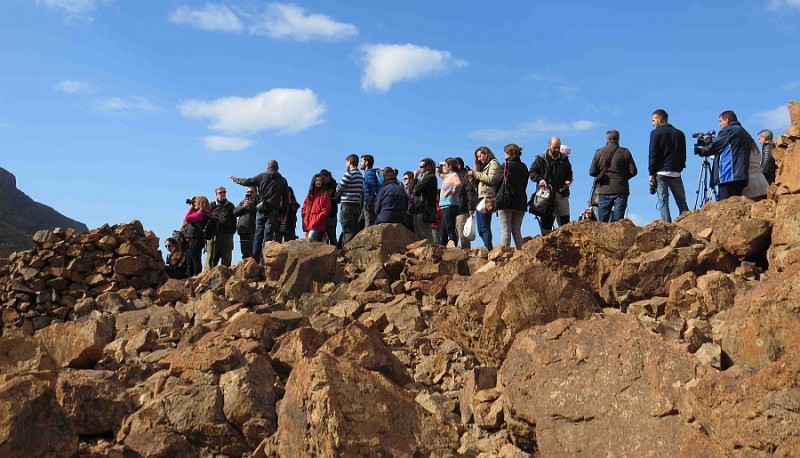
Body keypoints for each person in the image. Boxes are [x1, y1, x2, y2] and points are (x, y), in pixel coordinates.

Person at [229, 160, 289, 263]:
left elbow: (246, 182)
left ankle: (255, 259)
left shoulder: (262, 176)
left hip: (261, 209)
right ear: (278, 168)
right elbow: (286, 200)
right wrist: (283, 214)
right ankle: (264, 260)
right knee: (268, 234)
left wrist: (235, 179)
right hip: (273, 210)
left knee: (258, 233)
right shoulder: (283, 181)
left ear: (268, 167)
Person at [648, 109, 689, 223]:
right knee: (681, 200)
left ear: (660, 119)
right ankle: (688, 222)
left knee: (663, 201)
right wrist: (680, 167)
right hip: (676, 172)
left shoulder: (655, 133)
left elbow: (653, 153)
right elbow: (683, 154)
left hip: (661, 172)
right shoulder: (680, 134)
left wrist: (651, 173)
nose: (653, 123)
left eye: (653, 120)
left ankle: (667, 225)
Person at [589, 130, 638, 223]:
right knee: (618, 222)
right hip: (621, 189)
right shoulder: (625, 152)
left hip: (604, 190)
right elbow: (633, 171)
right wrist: (623, 177)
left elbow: (592, 172)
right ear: (618, 139)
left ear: (606, 139)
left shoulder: (599, 152)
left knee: (602, 222)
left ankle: (603, 237)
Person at [529, 137, 573, 236]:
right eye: (555, 147)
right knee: (546, 219)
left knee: (565, 219)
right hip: (546, 194)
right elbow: (532, 172)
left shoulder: (564, 159)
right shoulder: (541, 158)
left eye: (558, 147)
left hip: (562, 192)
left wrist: (568, 181)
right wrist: (540, 179)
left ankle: (565, 242)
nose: (557, 150)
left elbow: (569, 173)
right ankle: (546, 241)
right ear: (549, 146)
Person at [706, 110, 754, 200]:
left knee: (724, 205)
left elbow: (713, 146)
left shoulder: (729, 130)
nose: (719, 124)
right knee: (735, 205)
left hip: (728, 174)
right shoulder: (744, 132)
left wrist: (705, 147)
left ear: (727, 120)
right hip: (741, 175)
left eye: (720, 121)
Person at [467, 146, 501, 249]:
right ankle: (488, 248)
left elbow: (491, 179)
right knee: (480, 229)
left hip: (487, 198)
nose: (479, 159)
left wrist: (476, 174)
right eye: (477, 157)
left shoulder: (493, 164)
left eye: (480, 156)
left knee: (484, 227)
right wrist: (472, 177)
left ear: (486, 154)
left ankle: (488, 249)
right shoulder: (483, 167)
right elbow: (477, 185)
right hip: (480, 197)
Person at [496, 143, 529, 248]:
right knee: (517, 230)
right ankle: (520, 253)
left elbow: (497, 181)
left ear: (509, 153)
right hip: (521, 201)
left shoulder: (506, 165)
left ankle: (505, 254)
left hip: (506, 200)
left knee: (506, 230)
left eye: (505, 153)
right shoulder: (524, 167)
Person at [336, 154, 364, 247]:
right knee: (354, 229)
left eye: (346, 162)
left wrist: (344, 190)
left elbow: (338, 188)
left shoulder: (349, 174)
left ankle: (347, 252)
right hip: (356, 204)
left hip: (347, 204)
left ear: (350, 162)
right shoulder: (360, 175)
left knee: (347, 230)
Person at [205, 186, 236, 268]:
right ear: (216, 194)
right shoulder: (211, 205)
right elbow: (207, 220)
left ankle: (226, 276)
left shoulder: (230, 206)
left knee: (226, 258)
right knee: (210, 258)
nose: (222, 194)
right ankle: (207, 277)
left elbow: (234, 221)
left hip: (226, 235)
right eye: (220, 192)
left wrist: (231, 232)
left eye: (224, 192)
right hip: (213, 235)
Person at [182, 196, 212, 277]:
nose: (193, 203)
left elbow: (187, 218)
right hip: (193, 240)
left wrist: (191, 208)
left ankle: (196, 277)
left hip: (195, 240)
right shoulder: (204, 213)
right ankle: (191, 277)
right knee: (189, 261)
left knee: (195, 260)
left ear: (200, 203)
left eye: (195, 202)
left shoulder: (201, 214)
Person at [412, 158, 438, 244]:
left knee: (425, 233)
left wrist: (414, 178)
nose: (420, 168)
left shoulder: (430, 177)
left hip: (425, 209)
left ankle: (431, 252)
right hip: (419, 209)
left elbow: (415, 190)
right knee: (419, 234)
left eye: (422, 166)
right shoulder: (424, 178)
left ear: (428, 167)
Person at [438, 158, 462, 247]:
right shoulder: (447, 176)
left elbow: (458, 184)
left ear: (450, 167)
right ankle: (442, 248)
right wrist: (440, 164)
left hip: (450, 205)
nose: (444, 167)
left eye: (445, 165)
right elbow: (439, 172)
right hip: (446, 206)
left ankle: (453, 247)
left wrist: (452, 191)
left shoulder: (454, 175)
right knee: (443, 230)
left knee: (449, 228)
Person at [454, 157, 478, 249]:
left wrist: (470, 208)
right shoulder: (455, 176)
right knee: (455, 234)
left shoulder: (466, 177)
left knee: (463, 235)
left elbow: (470, 193)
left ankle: (467, 255)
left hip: (463, 209)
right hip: (456, 209)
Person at [302, 174, 332, 242]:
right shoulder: (310, 195)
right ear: (313, 182)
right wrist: (304, 219)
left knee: (309, 242)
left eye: (320, 180)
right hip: (308, 224)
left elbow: (326, 209)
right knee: (308, 245)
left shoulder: (324, 194)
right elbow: (304, 208)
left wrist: (317, 219)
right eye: (317, 180)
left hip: (317, 224)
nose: (319, 182)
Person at [233, 186, 257, 259]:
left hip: (254, 229)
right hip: (243, 230)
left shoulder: (259, 201)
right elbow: (235, 213)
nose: (249, 193)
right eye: (248, 192)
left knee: (254, 251)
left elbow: (260, 212)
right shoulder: (243, 202)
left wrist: (252, 205)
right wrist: (243, 206)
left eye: (251, 192)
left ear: (256, 193)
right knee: (245, 252)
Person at [319, 169, 339, 245]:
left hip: (331, 214)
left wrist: (326, 200)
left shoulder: (335, 186)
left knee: (332, 236)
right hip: (321, 215)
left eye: (324, 179)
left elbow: (337, 199)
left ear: (328, 177)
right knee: (319, 237)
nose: (323, 181)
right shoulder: (320, 187)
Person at [361, 154, 381, 228]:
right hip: (373, 200)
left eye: (361, 161)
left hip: (370, 201)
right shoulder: (372, 173)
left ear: (366, 162)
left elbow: (371, 189)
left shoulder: (369, 174)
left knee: (368, 224)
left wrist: (367, 203)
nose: (360, 163)